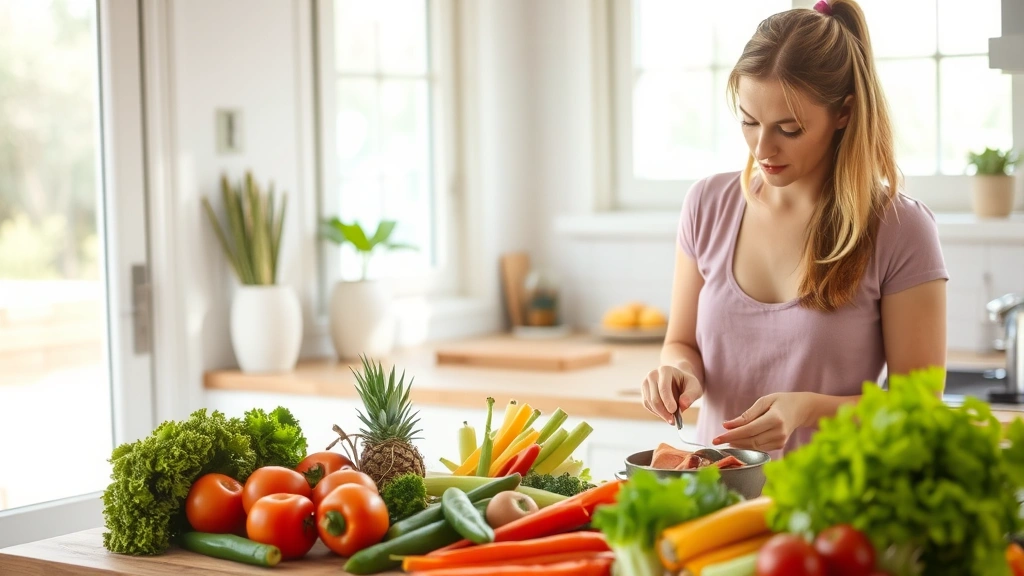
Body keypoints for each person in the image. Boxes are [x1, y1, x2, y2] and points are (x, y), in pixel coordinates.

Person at [640, 0, 948, 457]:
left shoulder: (899, 228)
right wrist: (678, 373)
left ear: (843, 113)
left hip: (831, 510)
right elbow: (681, 343)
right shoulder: (707, 204)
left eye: (789, 128)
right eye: (749, 121)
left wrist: (808, 410)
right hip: (712, 506)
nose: (763, 147)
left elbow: (920, 408)